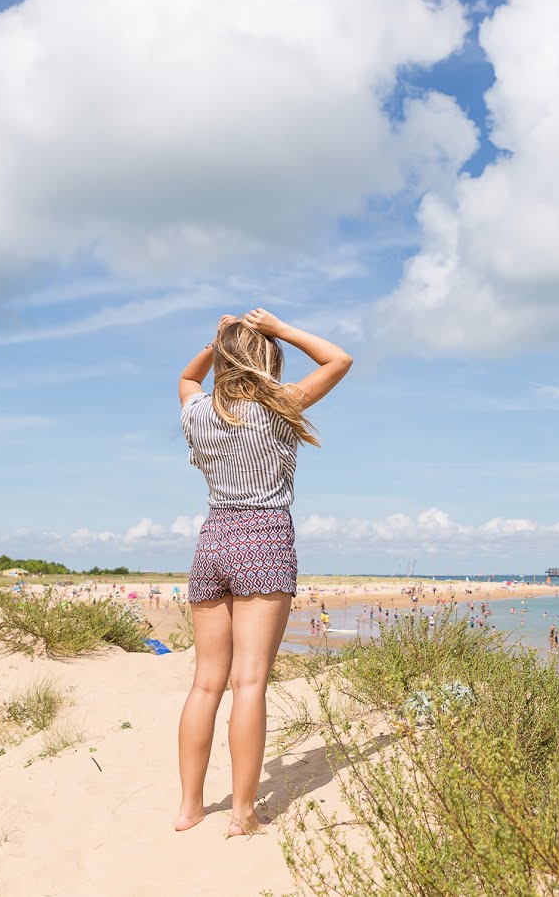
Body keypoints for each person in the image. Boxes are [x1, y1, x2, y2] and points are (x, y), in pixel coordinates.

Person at [175, 310, 352, 836]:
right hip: (264, 537)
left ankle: (188, 809)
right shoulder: (279, 406)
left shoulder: (198, 412)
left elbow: (186, 378)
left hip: (214, 539)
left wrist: (216, 342)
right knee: (248, 682)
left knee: (206, 684)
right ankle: (243, 813)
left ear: (224, 360)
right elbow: (339, 359)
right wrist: (280, 329)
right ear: (267, 360)